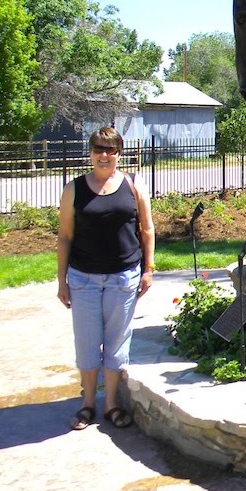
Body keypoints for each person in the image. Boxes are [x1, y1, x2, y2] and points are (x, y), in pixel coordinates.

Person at [57, 127, 155, 430]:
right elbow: (64, 237)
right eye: (98, 149)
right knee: (87, 343)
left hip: (123, 278)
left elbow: (147, 229)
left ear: (119, 154)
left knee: (116, 344)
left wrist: (148, 269)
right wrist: (62, 281)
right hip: (83, 279)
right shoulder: (74, 189)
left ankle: (111, 404)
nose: (104, 155)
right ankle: (88, 405)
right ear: (90, 152)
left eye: (110, 150)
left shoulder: (134, 184)